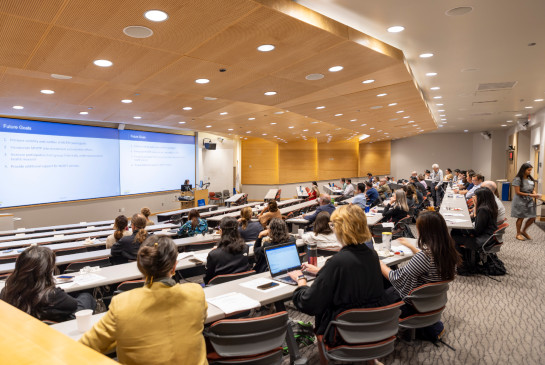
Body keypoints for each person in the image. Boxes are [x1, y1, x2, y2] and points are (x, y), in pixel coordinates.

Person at [80, 236, 208, 365]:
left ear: (141, 266)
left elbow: (84, 347)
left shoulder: (122, 304)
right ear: (174, 266)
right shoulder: (196, 293)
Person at [288, 205, 387, 346]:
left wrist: (300, 279)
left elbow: (308, 303)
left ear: (341, 229)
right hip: (372, 325)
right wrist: (321, 271)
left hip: (343, 329)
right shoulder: (371, 254)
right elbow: (352, 275)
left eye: (333, 225)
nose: (332, 228)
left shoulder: (337, 262)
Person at [380, 211, 461, 318]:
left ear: (424, 231)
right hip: (432, 301)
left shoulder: (424, 257)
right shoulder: (449, 252)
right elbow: (429, 260)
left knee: (380, 284)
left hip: (411, 305)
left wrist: (379, 262)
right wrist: (410, 247)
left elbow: (395, 277)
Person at [1, 246, 96, 322]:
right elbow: (74, 305)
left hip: (22, 330)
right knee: (86, 297)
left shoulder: (6, 292)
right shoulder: (52, 295)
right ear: (46, 272)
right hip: (49, 328)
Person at [451, 188, 498, 274]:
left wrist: (464, 228)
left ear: (481, 197)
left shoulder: (483, 209)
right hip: (488, 235)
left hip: (484, 238)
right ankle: (463, 262)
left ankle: (463, 266)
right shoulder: (489, 206)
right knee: (455, 231)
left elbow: (477, 231)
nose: (473, 197)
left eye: (475, 196)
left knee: (454, 237)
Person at [204, 217, 251, 285]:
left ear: (221, 231)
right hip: (242, 284)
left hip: (220, 288)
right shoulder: (245, 248)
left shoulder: (213, 254)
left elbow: (208, 280)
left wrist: (217, 250)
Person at [511, 163, 540, 241]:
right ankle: (518, 234)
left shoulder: (530, 179)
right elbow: (517, 192)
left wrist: (534, 193)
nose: (530, 172)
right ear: (523, 170)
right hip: (520, 200)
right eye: (528, 170)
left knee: (533, 217)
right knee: (521, 217)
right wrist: (530, 195)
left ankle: (523, 231)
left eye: (530, 170)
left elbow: (532, 189)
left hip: (529, 200)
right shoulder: (517, 179)